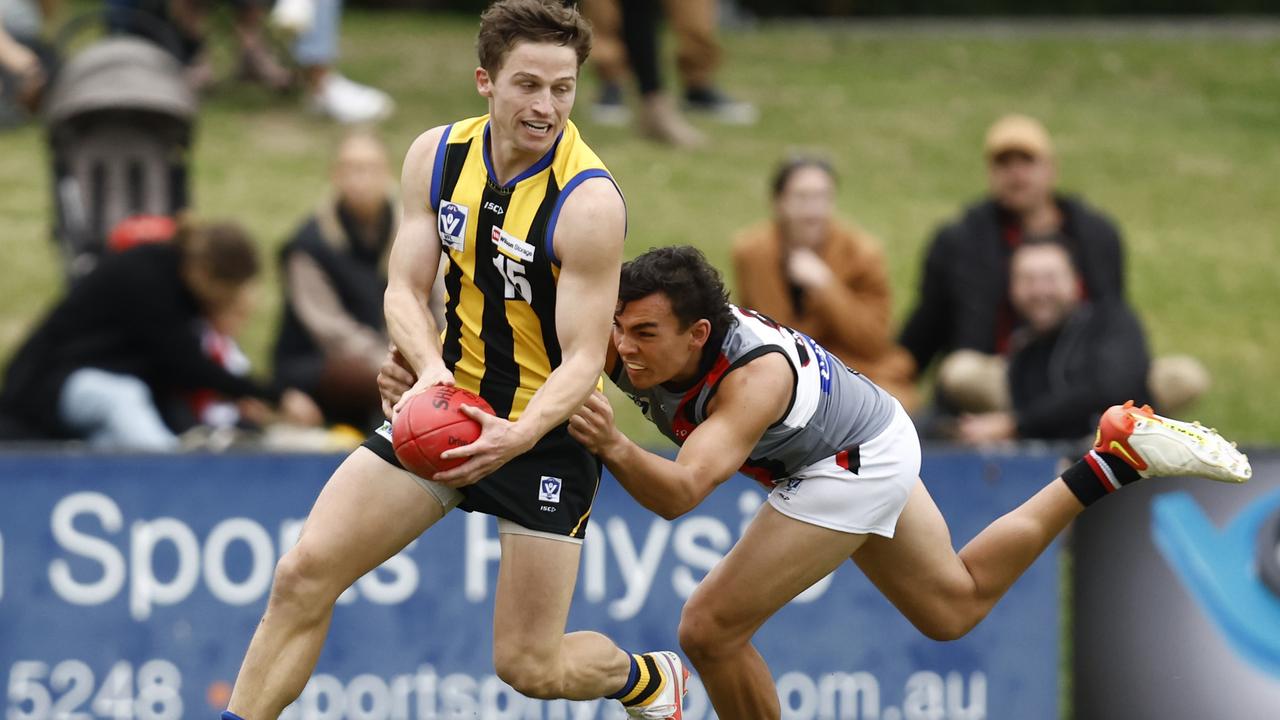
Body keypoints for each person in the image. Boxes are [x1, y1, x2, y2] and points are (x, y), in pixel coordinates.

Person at [383, 245, 1251, 718]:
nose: (625, 350)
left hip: (850, 460)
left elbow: (682, 494)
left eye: (646, 334)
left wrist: (612, 445)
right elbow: (521, 367)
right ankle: (1117, 455)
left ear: (698, 334)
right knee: (954, 608)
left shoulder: (747, 381)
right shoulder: (633, 343)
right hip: (863, 433)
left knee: (709, 631)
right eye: (621, 331)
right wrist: (428, 384)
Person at [222, 3, 685, 719]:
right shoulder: (435, 156)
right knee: (303, 574)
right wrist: (428, 372)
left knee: (528, 666)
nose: (546, 106)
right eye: (528, 85)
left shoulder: (588, 203)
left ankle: (646, 680)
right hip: (447, 414)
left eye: (563, 88)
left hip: (545, 438)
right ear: (485, 81)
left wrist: (519, 434)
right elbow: (404, 290)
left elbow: (586, 357)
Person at [900, 113, 1209, 426]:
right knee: (960, 371)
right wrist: (891, 382)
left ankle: (1100, 425)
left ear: (1050, 168)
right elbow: (927, 325)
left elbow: (1114, 316)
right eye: (1004, 164)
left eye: (1026, 162)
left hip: (1088, 368)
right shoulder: (962, 241)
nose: (1016, 174)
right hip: (1011, 376)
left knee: (1183, 376)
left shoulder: (1096, 234)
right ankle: (1088, 426)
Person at [0, 221, 321, 449]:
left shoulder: (176, 284)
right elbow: (188, 364)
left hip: (81, 396)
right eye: (229, 293)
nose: (227, 304)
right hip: (52, 386)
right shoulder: (148, 277)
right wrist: (275, 395)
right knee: (122, 398)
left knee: (112, 446)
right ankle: (172, 478)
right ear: (205, 275)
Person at [272, 130, 435, 429]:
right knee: (361, 376)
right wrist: (395, 362)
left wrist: (430, 356)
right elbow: (330, 330)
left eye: (370, 168)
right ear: (336, 175)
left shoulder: (412, 232)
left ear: (387, 172)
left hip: (400, 357)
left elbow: (436, 299)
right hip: (322, 362)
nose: (361, 178)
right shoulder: (309, 244)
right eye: (351, 168)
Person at [731, 155, 918, 410]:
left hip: (855, 374)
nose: (813, 210)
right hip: (779, 376)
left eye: (822, 198)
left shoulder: (863, 252)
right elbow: (756, 331)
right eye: (802, 198)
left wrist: (826, 287)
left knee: (890, 404)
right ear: (778, 202)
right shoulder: (751, 252)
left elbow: (874, 343)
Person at [953, 236, 1153, 445]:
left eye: (1050, 279)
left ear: (1076, 281)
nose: (1039, 292)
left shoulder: (1111, 322)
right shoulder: (1022, 346)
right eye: (1028, 280)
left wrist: (1016, 425)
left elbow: (1109, 388)